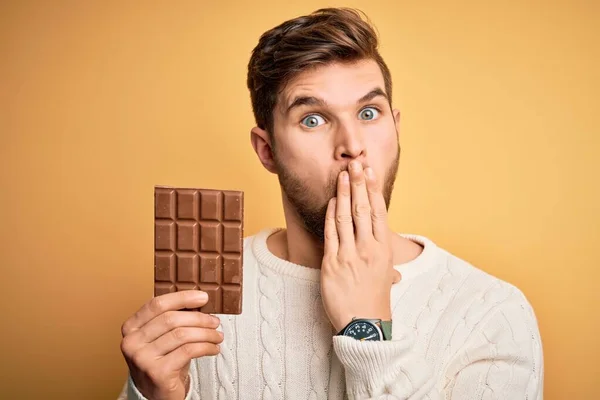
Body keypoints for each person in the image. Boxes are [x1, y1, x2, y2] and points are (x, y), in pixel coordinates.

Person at [117, 7, 544, 400]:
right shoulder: (201, 297)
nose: (352, 146)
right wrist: (154, 395)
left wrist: (369, 330)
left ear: (396, 129)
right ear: (267, 150)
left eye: (369, 113)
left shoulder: (492, 315)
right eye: (313, 119)